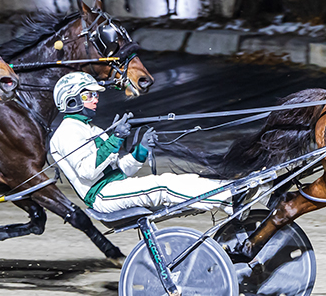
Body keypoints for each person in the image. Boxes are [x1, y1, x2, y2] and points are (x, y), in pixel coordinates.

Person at [49, 71, 235, 215]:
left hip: (114, 187)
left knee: (179, 179)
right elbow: (87, 172)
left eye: (95, 95)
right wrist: (116, 138)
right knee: (163, 186)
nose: (95, 99)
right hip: (102, 196)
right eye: (88, 96)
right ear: (71, 101)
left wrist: (141, 150)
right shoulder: (66, 132)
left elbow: (120, 171)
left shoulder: (93, 129)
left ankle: (229, 189)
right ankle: (228, 200)